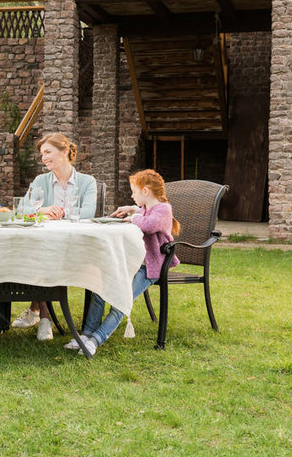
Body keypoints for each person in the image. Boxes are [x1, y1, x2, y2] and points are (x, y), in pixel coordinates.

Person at [67, 168, 181, 356]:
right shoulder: (147, 209)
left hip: (149, 269)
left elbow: (150, 224)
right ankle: (86, 335)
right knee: (99, 291)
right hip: (132, 264)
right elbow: (144, 212)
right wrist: (133, 209)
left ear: (145, 191)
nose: (132, 195)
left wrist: (133, 217)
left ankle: (96, 340)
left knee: (120, 301)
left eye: (134, 192)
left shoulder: (164, 210)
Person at [11, 133, 97, 341]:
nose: (44, 158)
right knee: (39, 254)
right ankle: (44, 320)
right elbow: (22, 208)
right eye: (42, 154)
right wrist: (42, 211)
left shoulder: (87, 182)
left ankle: (36, 311)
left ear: (65, 151)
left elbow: (88, 212)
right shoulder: (41, 181)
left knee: (41, 256)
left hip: (76, 245)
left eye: (48, 152)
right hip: (46, 242)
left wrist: (63, 212)